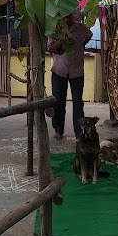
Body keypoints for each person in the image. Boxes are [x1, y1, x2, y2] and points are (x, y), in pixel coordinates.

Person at [47, 9, 93, 140]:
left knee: (78, 102)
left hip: (76, 70)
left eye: (68, 15)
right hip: (59, 70)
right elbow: (50, 49)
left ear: (71, 15)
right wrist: (62, 40)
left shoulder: (80, 28)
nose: (66, 18)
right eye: (63, 15)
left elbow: (88, 35)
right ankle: (58, 130)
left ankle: (79, 133)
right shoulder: (55, 29)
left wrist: (80, 44)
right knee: (58, 102)